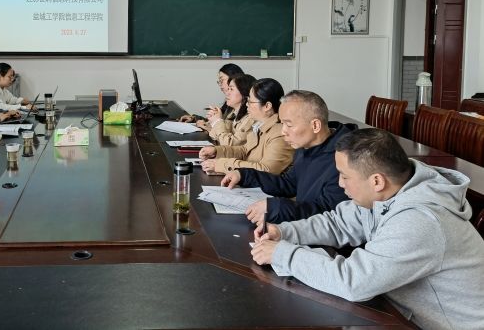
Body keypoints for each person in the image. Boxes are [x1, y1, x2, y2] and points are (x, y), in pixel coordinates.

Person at [251, 128, 484, 330]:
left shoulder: (420, 222)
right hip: (399, 314)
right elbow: (338, 223)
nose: (340, 184)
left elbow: (354, 281)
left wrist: (283, 254)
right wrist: (284, 232)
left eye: (344, 176)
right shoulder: (389, 193)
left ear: (376, 181)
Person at [221, 90, 356, 224]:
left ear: (315, 125)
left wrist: (276, 207)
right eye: (282, 123)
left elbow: (329, 215)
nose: (283, 131)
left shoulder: (346, 158)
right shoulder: (307, 144)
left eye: (289, 125)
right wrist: (245, 175)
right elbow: (289, 183)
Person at [200, 78, 293, 175]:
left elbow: (266, 170)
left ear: (267, 106)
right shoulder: (259, 125)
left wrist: (222, 165)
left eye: (250, 101)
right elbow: (244, 151)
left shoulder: (280, 134)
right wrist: (217, 151)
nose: (247, 104)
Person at [178, 63, 245, 129]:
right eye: (219, 81)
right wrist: (195, 119)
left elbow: (226, 129)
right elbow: (217, 121)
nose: (220, 84)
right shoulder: (229, 103)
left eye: (222, 80)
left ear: (234, 78)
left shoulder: (245, 108)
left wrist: (211, 126)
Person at [204, 73, 256, 146]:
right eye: (228, 89)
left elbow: (230, 144)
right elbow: (215, 136)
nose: (227, 93)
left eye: (231, 89)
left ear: (244, 92)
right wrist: (213, 121)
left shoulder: (251, 119)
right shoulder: (233, 113)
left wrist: (217, 121)